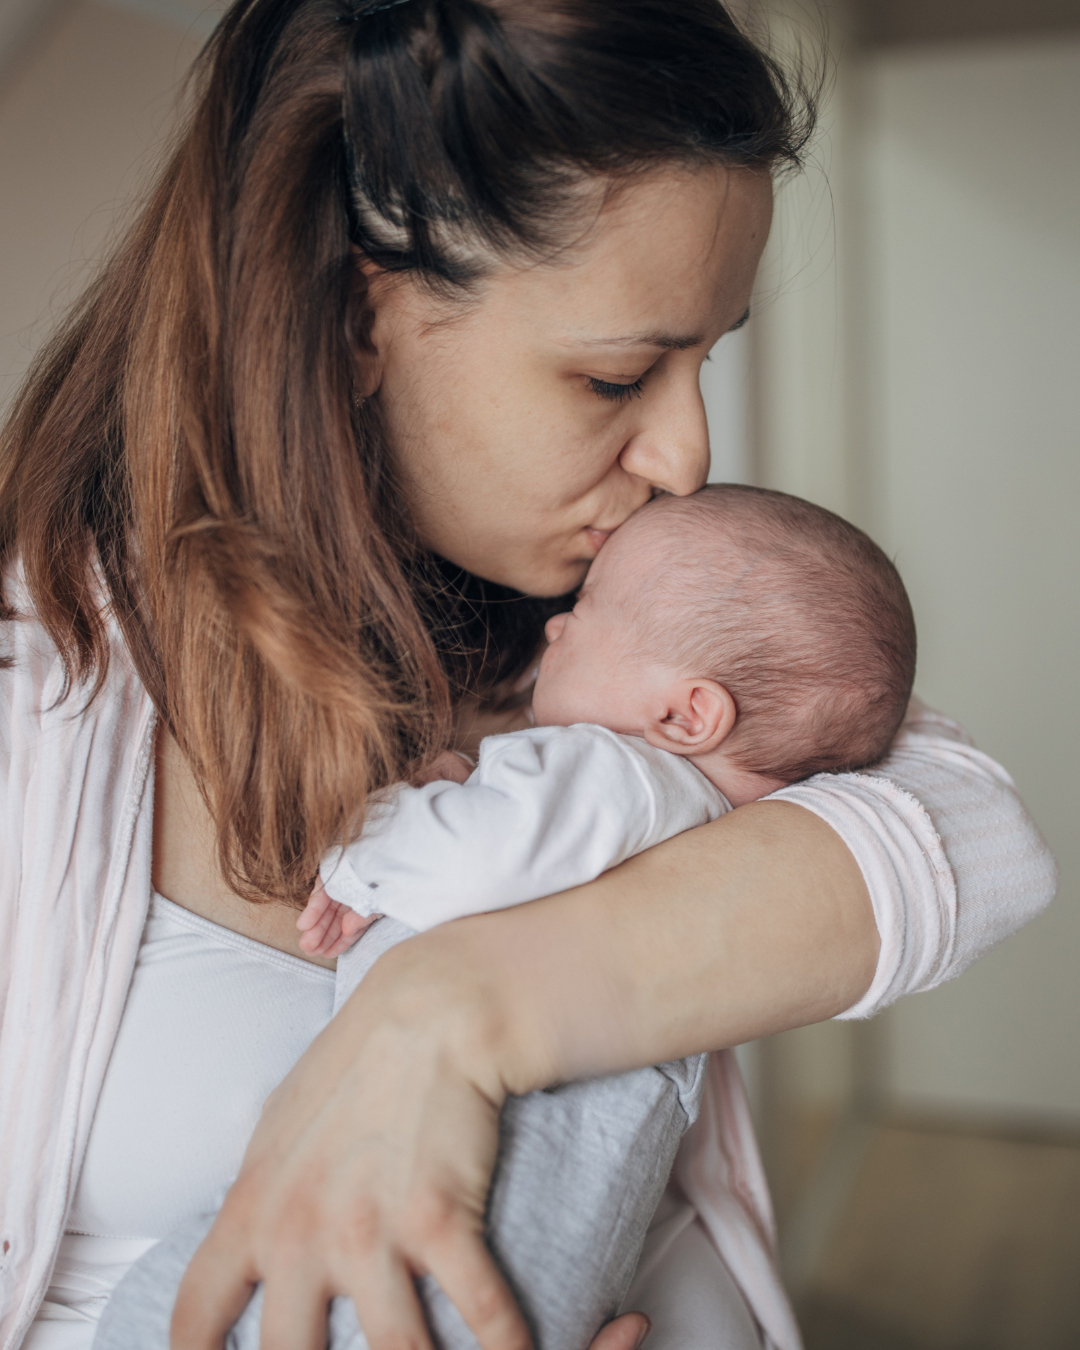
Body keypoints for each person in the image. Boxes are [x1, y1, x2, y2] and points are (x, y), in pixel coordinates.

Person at [0, 2, 1056, 1350]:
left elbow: (975, 832)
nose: (687, 455)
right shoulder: (42, 693)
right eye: (617, 377)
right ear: (359, 318)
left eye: (706, 355)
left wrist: (452, 1011)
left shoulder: (595, 646)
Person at [299, 483, 917, 954]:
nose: (555, 625)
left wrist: (362, 845)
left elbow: (475, 860)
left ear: (684, 716)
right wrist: (466, 782)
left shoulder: (622, 774)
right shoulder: (692, 814)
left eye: (585, 609)